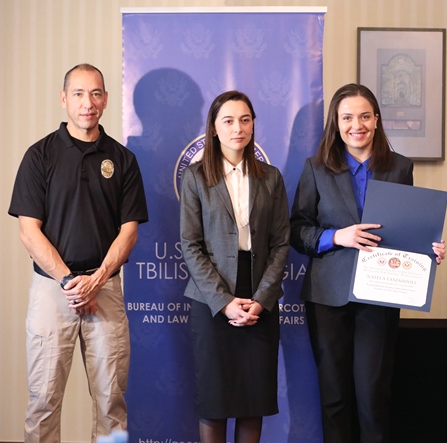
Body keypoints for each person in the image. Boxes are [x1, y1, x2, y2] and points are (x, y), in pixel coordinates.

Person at [290, 83, 445, 443]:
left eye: (364, 116)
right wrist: (336, 237)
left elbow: (405, 228)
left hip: (381, 294)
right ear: (336, 122)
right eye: (347, 118)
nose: (356, 125)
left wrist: (429, 250)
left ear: (376, 119)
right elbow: (296, 232)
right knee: (334, 398)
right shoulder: (316, 168)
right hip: (327, 296)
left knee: (373, 396)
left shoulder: (400, 167)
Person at [8, 64, 148, 441]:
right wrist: (70, 282)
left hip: (106, 290)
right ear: (64, 99)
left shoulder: (123, 160)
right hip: (53, 291)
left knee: (111, 403)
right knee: (43, 401)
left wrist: (96, 280)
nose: (88, 102)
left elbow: (129, 231)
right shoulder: (39, 156)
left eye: (96, 93)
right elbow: (28, 231)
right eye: (79, 94)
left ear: (105, 99)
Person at [180, 91, 290, 443]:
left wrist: (262, 299)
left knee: (252, 401)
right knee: (214, 402)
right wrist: (224, 302)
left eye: (245, 120)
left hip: (259, 297)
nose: (237, 128)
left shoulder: (270, 177)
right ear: (214, 128)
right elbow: (191, 245)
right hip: (212, 299)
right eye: (228, 121)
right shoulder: (196, 177)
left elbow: (280, 244)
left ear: (253, 125)